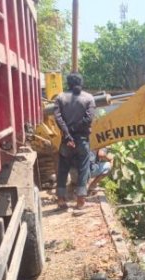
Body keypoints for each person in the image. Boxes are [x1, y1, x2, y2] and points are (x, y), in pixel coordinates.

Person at [54, 73, 96, 209]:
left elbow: (58, 118)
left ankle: (61, 199)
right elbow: (88, 119)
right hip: (82, 140)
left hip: (66, 140)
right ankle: (80, 201)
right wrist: (74, 129)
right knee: (84, 168)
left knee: (63, 168)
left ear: (68, 83)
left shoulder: (60, 98)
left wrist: (67, 134)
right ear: (81, 83)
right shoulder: (89, 98)